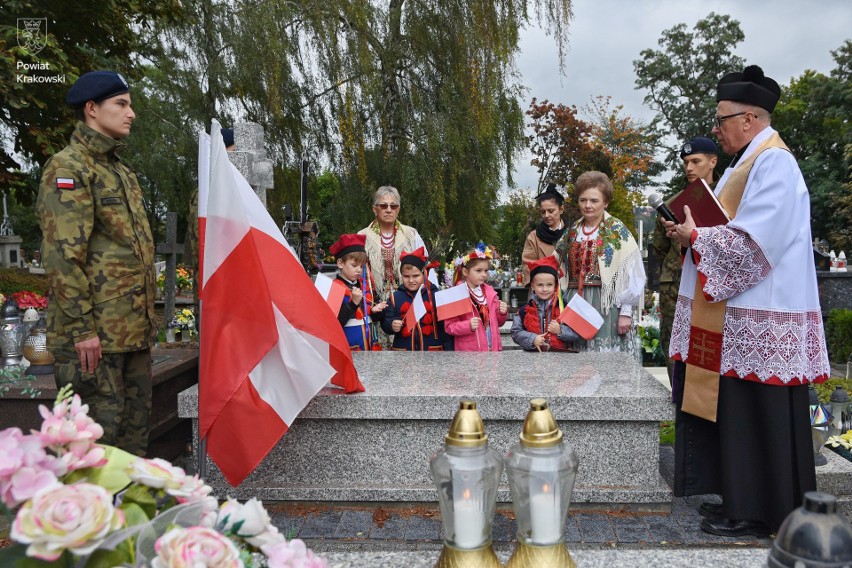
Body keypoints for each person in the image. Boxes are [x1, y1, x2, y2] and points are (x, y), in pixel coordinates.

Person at [664, 65, 830, 536]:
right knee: (736, 408)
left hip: (764, 314)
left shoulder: (776, 163)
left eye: (722, 119)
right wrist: (690, 233)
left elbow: (758, 241)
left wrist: (700, 236)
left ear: (751, 118)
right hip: (734, 312)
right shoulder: (744, 164)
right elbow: (725, 229)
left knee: (757, 411)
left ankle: (760, 511)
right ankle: (738, 500)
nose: (716, 129)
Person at [36, 71, 156, 457]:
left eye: (130, 104)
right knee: (92, 451)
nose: (131, 113)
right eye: (121, 104)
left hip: (131, 332)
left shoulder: (120, 171)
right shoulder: (69, 168)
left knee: (132, 450)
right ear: (91, 109)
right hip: (95, 339)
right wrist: (81, 329)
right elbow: (62, 256)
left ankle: (130, 518)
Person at [554, 171, 646, 356]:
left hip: (606, 304)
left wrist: (626, 312)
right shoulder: (572, 232)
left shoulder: (617, 231)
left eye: (594, 201)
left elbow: (632, 274)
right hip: (575, 302)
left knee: (606, 362)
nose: (588, 205)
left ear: (605, 202)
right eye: (583, 200)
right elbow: (556, 264)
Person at [650, 137, 718, 381]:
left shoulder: (728, 198)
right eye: (685, 162)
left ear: (713, 162)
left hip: (714, 291)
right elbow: (659, 247)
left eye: (695, 161)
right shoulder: (671, 206)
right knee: (676, 359)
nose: (689, 168)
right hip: (675, 293)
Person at [358, 186, 427, 300]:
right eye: (383, 206)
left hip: (408, 300)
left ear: (398, 209)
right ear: (375, 209)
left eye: (393, 206)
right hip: (374, 303)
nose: (389, 210)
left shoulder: (411, 234)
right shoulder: (362, 236)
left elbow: (424, 268)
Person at [381, 248, 451, 351]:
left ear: (424, 274)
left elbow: (445, 328)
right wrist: (391, 325)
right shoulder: (395, 297)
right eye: (406, 276)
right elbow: (386, 321)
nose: (411, 280)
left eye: (416, 276)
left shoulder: (435, 295)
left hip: (432, 354)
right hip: (404, 354)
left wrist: (448, 351)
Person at [444, 244, 508, 351]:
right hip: (469, 354)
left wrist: (502, 313)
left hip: (492, 351)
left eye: (486, 271)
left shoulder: (490, 292)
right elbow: (449, 326)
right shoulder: (456, 295)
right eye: (479, 271)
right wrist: (467, 325)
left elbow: (499, 322)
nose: (483, 274)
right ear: (465, 272)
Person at [330, 233, 387, 351]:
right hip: (350, 346)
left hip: (370, 344)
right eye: (354, 265)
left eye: (361, 266)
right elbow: (335, 323)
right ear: (340, 263)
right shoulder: (334, 287)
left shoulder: (366, 285)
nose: (358, 270)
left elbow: (373, 318)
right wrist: (353, 303)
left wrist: (375, 311)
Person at [511, 256, 580, 352]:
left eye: (549, 285)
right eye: (540, 285)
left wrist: (560, 330)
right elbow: (515, 332)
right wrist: (532, 339)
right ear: (532, 286)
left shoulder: (564, 308)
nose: (544, 289)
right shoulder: (524, 310)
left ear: (555, 285)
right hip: (533, 360)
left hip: (560, 359)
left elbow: (577, 333)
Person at [521, 183, 567, 286]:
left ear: (561, 209)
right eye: (543, 212)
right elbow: (528, 266)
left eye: (551, 211)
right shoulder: (533, 237)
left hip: (569, 291)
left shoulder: (572, 234)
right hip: (542, 292)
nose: (546, 215)